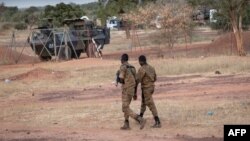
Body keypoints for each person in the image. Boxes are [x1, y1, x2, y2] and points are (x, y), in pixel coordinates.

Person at [117, 53, 146, 130]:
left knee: (125, 108)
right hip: (132, 89)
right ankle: (126, 123)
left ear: (122, 60)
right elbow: (135, 81)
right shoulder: (132, 67)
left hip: (126, 89)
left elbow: (121, 79)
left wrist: (118, 78)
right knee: (126, 106)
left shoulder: (123, 67)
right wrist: (135, 93)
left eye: (121, 59)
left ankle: (139, 119)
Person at [136, 55, 161, 128]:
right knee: (143, 102)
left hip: (146, 88)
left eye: (139, 62)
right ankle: (140, 117)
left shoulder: (142, 69)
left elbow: (137, 80)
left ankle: (157, 121)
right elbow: (155, 78)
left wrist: (134, 92)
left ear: (140, 61)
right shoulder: (151, 68)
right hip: (151, 87)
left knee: (150, 104)